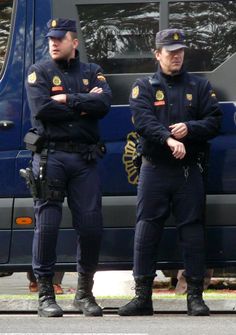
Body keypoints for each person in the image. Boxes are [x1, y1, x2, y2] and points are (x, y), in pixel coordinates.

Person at [118, 28, 222, 317]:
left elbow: (214, 121)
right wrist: (167, 137)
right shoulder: (145, 86)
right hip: (155, 168)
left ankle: (195, 298)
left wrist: (190, 129)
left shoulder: (199, 87)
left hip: (188, 170)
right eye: (170, 52)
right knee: (146, 229)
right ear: (157, 54)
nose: (176, 56)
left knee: (192, 231)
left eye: (180, 52)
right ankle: (142, 298)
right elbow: (143, 121)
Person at [25, 18, 112, 317]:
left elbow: (104, 105)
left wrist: (66, 98)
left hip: (84, 159)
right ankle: (46, 295)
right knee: (47, 226)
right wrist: (84, 103)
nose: (54, 42)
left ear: (74, 42)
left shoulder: (92, 72)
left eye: (60, 38)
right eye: (51, 37)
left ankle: (84, 293)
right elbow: (42, 109)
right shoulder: (39, 71)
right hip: (51, 157)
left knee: (91, 227)